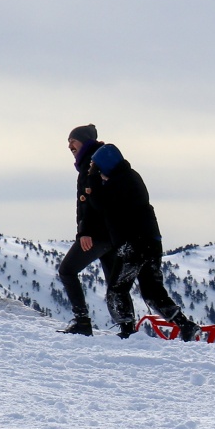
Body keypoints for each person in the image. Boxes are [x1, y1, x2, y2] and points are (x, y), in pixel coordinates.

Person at [82, 142, 199, 340]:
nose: (99, 173)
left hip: (133, 244)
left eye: (99, 168)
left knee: (117, 289)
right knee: (152, 291)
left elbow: (101, 204)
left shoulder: (120, 182)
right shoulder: (130, 177)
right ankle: (184, 324)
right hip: (150, 242)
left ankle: (127, 330)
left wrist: (92, 179)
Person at [55, 124, 120, 336]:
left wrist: (84, 232)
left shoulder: (92, 165)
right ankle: (127, 326)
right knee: (114, 283)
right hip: (111, 234)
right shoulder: (99, 161)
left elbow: (90, 203)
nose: (69, 146)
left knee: (67, 270)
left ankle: (82, 322)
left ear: (85, 141)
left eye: (73, 140)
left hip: (97, 234)